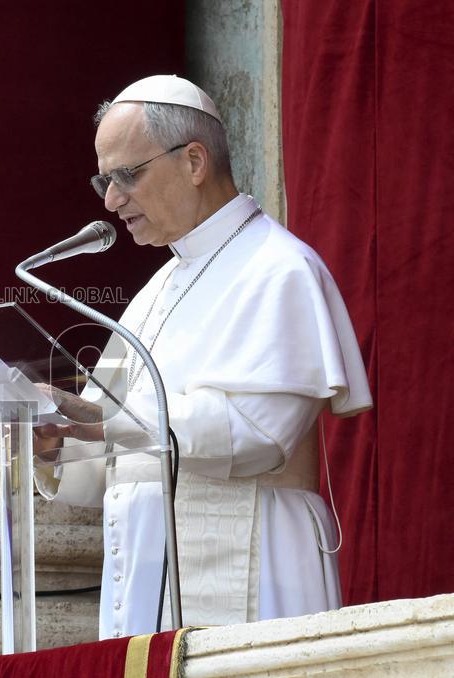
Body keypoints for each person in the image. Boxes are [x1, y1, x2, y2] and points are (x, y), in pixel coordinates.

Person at [33, 75, 372, 639]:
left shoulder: (279, 269)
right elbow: (100, 467)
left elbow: (257, 434)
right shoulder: (150, 296)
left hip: (255, 567)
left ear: (193, 161)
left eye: (126, 175)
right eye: (105, 180)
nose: (112, 200)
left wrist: (101, 420)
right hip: (143, 593)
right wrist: (54, 441)